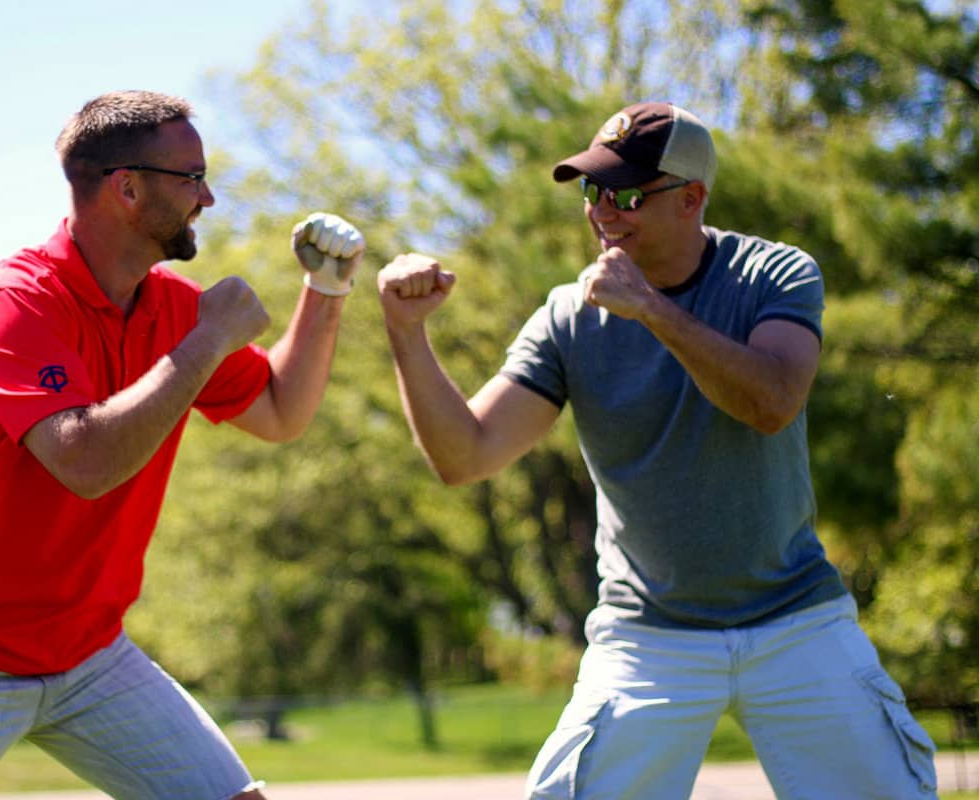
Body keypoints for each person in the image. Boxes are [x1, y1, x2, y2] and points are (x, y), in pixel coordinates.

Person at [377, 101, 938, 799]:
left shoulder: (776, 275)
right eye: (594, 190)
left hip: (796, 617)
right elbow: (466, 455)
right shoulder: (567, 317)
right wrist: (406, 333)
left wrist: (650, 309)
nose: (605, 212)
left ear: (692, 199)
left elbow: (771, 403)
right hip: (648, 637)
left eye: (630, 194)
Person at [0, 89, 364, 800]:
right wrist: (210, 339)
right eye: (192, 177)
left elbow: (280, 412)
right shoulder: (15, 301)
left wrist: (326, 291)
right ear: (127, 188)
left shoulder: (176, 305)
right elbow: (84, 463)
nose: (208, 197)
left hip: (89, 655)